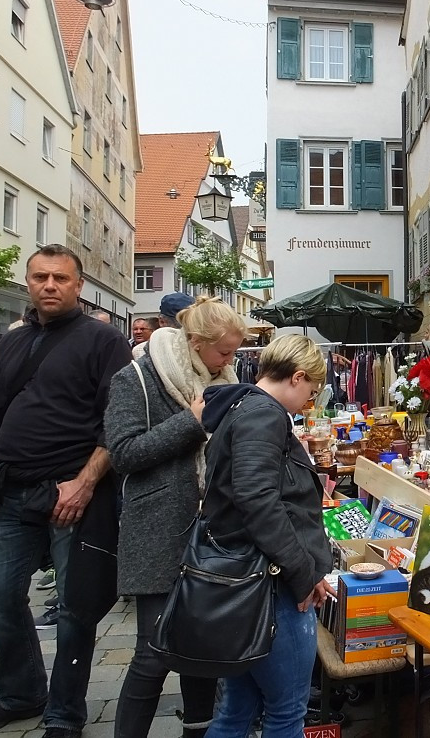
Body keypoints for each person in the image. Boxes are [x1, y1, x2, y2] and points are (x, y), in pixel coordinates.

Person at [0, 244, 132, 737]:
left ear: (79, 285)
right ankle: (22, 693)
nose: (49, 285)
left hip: (72, 495)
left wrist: (84, 483)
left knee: (76, 607)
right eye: (40, 277)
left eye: (60, 279)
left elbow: (116, 423)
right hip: (10, 492)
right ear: (27, 281)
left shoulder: (103, 340)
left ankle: (65, 713)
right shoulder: (9, 343)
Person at [105, 297, 247, 738]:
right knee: (152, 653)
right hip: (158, 531)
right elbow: (124, 453)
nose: (230, 361)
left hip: (212, 532)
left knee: (200, 648)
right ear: (196, 342)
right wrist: (192, 420)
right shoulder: (137, 378)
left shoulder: (223, 380)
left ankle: (198, 730)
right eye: (224, 352)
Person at [200, 335, 335, 738]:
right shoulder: (264, 414)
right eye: (310, 392)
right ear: (297, 377)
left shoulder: (241, 407)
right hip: (268, 586)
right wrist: (302, 573)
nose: (308, 401)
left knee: (237, 710)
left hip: (247, 584)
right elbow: (257, 500)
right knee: (285, 712)